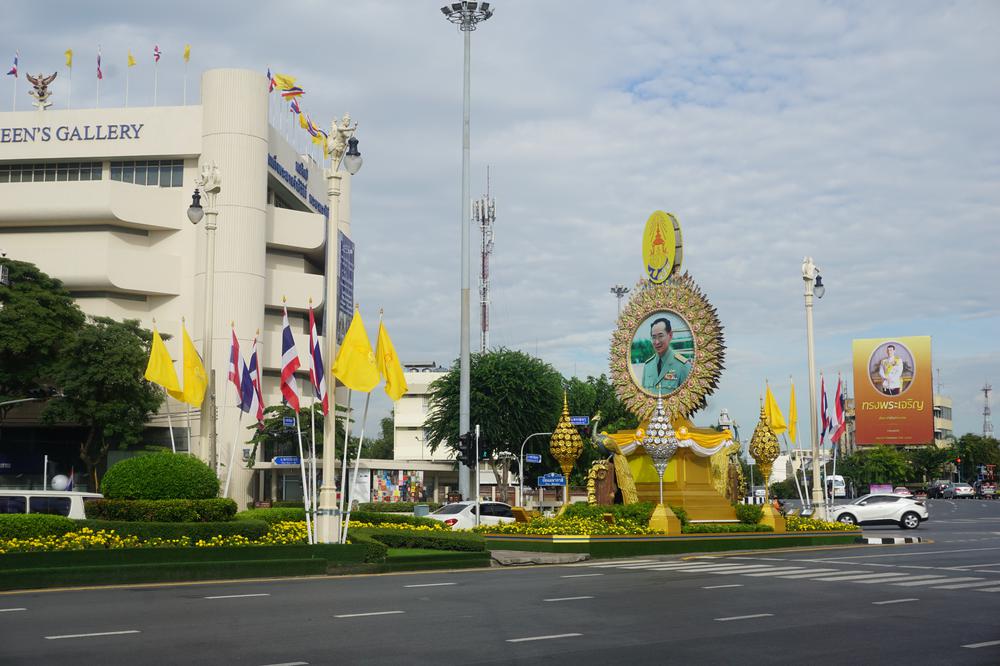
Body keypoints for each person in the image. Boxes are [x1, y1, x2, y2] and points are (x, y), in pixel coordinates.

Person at [641, 317, 691, 393]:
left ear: (670, 335)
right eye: (654, 337)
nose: (657, 342)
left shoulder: (683, 366)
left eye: (660, 336)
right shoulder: (648, 366)